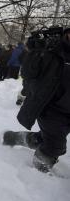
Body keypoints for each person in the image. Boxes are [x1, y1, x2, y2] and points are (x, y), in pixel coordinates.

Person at [4, 28, 70, 172]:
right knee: (54, 146)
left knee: (46, 139)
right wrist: (35, 51)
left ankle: (15, 138)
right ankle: (38, 174)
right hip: (51, 108)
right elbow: (28, 73)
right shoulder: (53, 48)